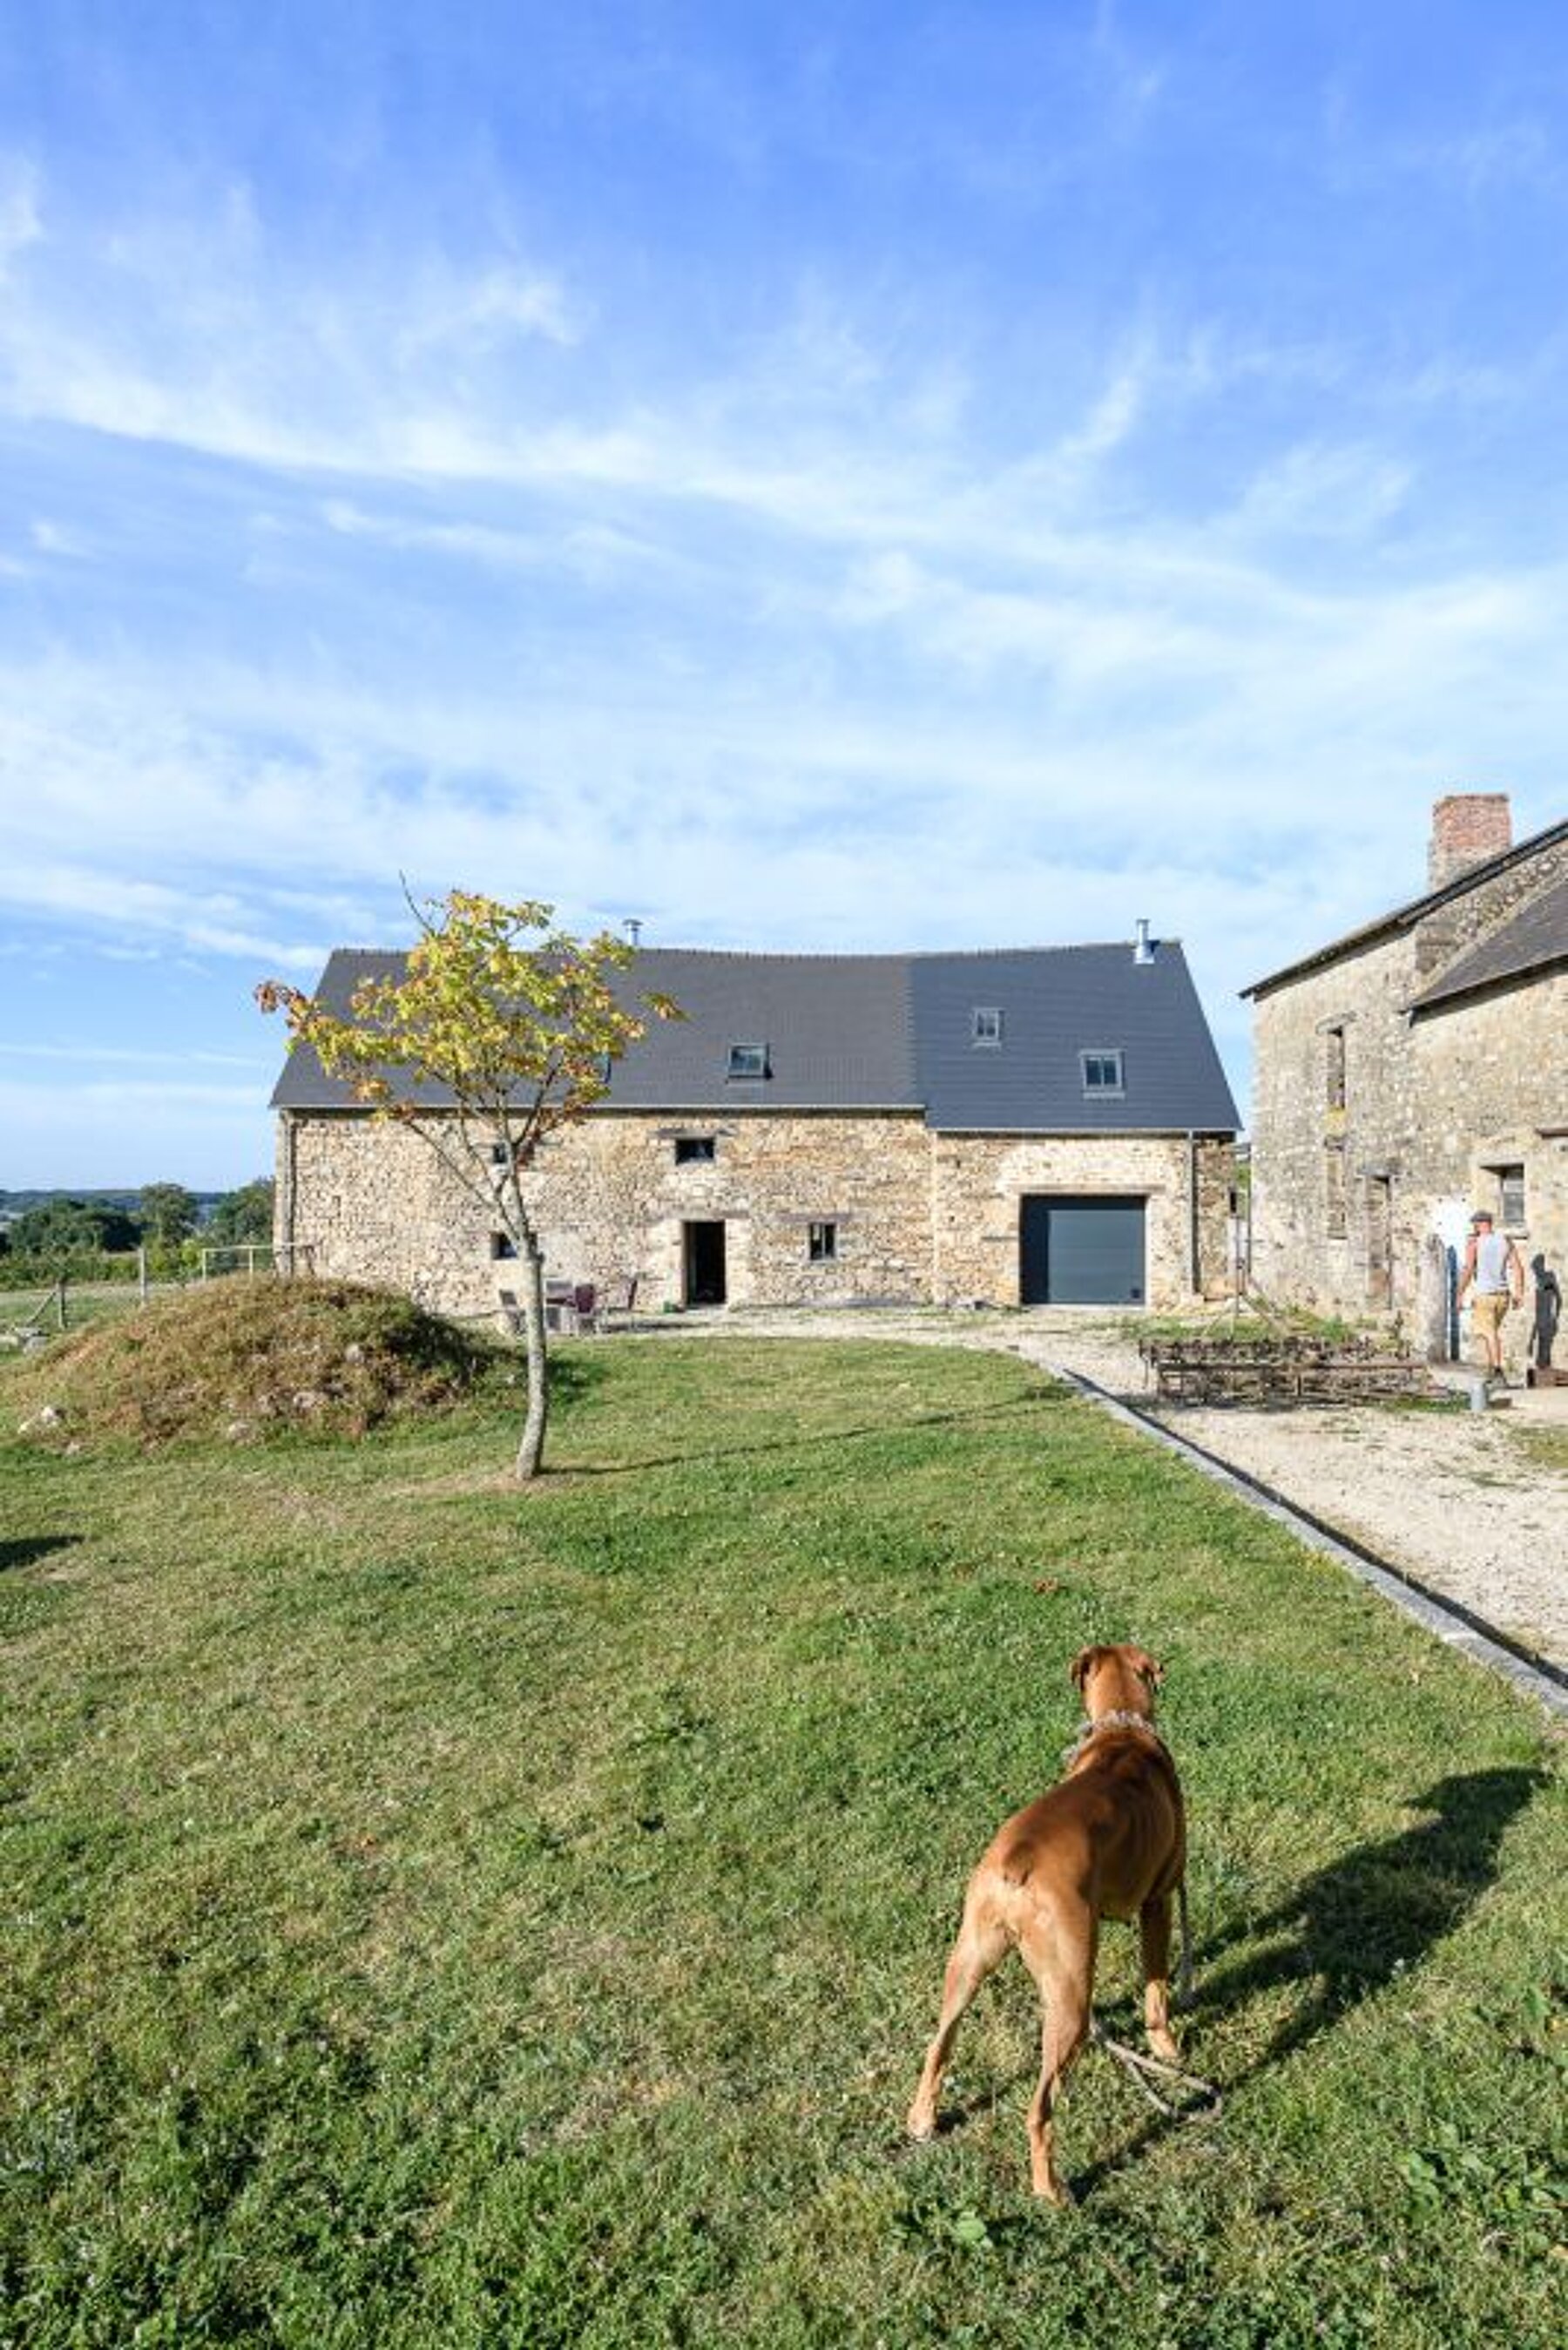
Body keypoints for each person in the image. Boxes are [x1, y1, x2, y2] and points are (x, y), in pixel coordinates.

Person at [1456, 1209, 1524, 1382]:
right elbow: (1518, 1268)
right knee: (1491, 1332)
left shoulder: (1475, 1243)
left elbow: (1469, 1269)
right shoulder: (1506, 1241)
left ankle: (1497, 1370)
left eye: (1475, 1224)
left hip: (1485, 1295)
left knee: (1489, 1333)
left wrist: (1459, 1294)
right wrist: (1519, 1293)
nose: (1475, 1227)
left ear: (1480, 1224)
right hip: (1503, 1296)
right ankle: (1492, 1370)